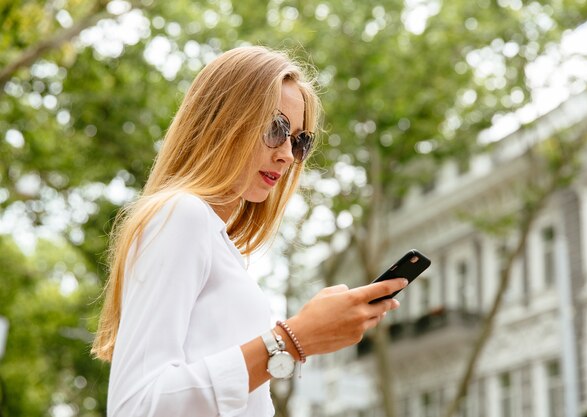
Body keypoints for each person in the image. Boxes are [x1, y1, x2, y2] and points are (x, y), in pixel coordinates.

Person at [91, 45, 407, 417]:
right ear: (222, 121)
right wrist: (291, 339)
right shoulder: (183, 214)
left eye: (300, 141)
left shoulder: (217, 242)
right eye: (277, 129)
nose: (288, 155)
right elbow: (137, 406)